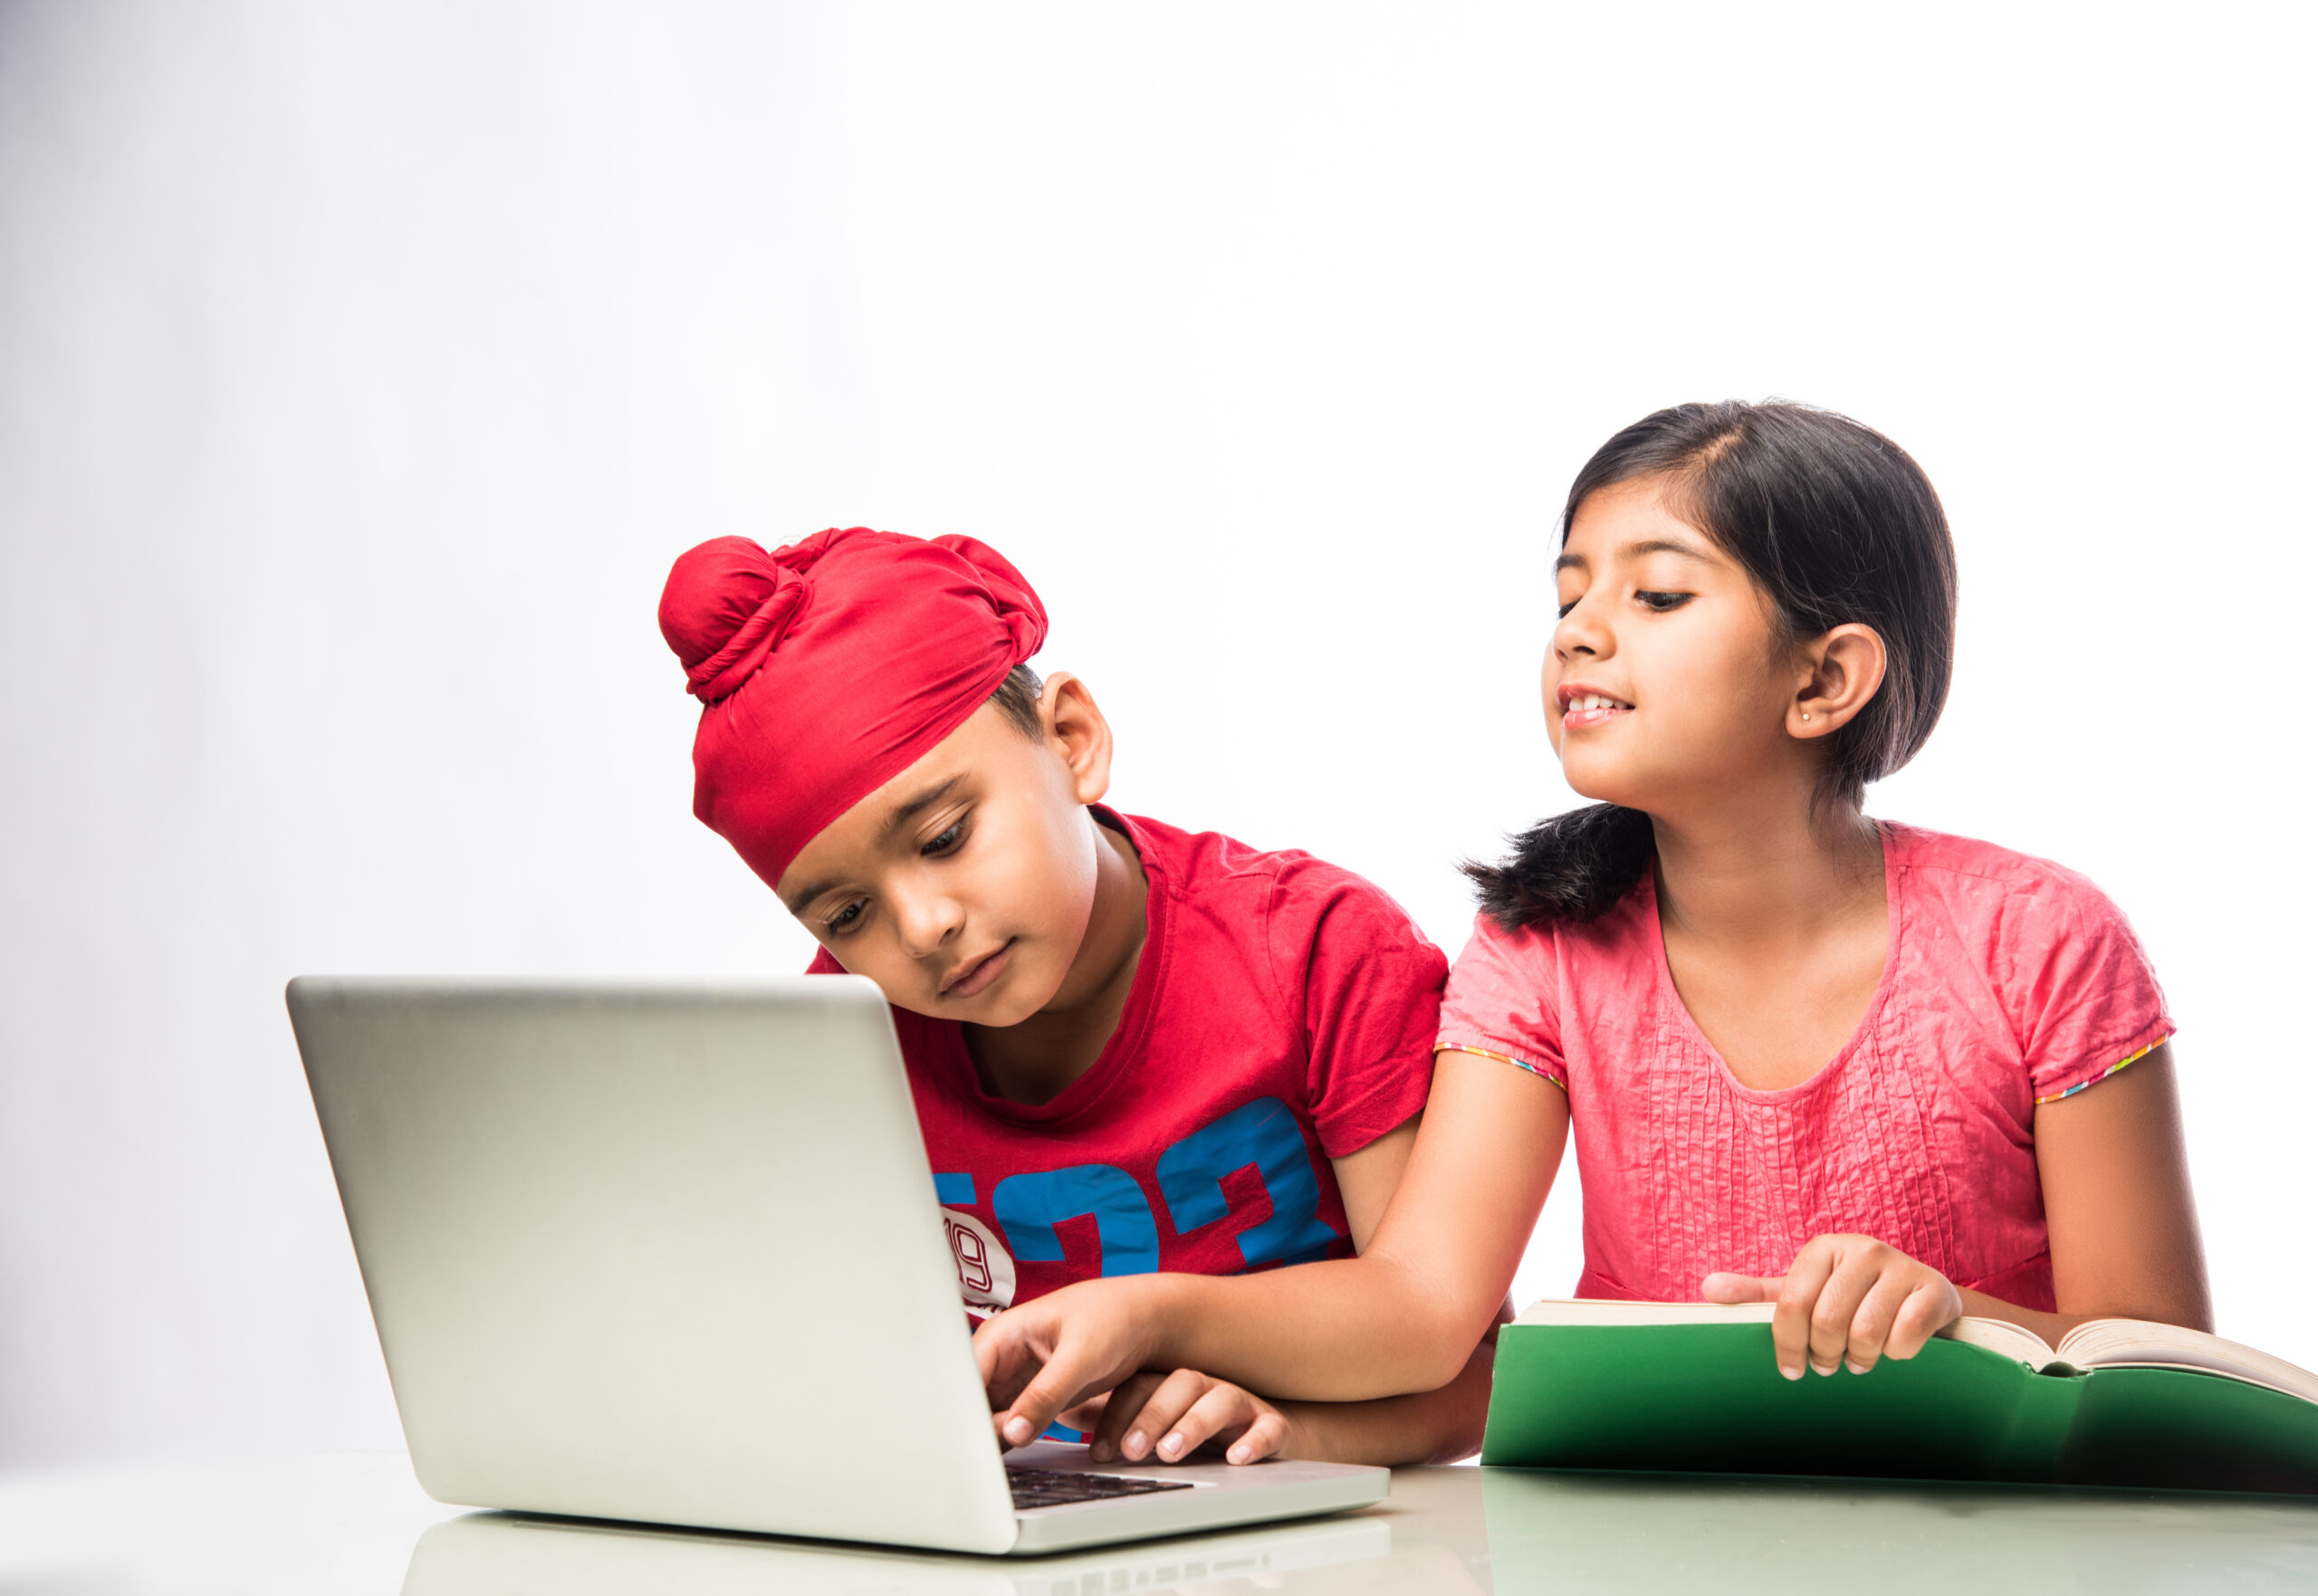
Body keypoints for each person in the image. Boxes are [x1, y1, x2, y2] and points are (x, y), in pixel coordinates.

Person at [975, 400, 2213, 1450]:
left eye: (1659, 592)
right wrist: (1150, 1311)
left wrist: (1959, 1314)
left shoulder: (2044, 937)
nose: (1579, 628)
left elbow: (2166, 1364)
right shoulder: (1539, 951)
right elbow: (1423, 1304)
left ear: (1826, 678)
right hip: (1650, 1513)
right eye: (1568, 593)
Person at [656, 526, 1492, 1466]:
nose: (923, 925)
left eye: (941, 838)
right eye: (848, 914)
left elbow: (1466, 1358)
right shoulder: (847, 1032)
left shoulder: (1315, 951)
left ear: (1070, 741)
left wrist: (1278, 1416)